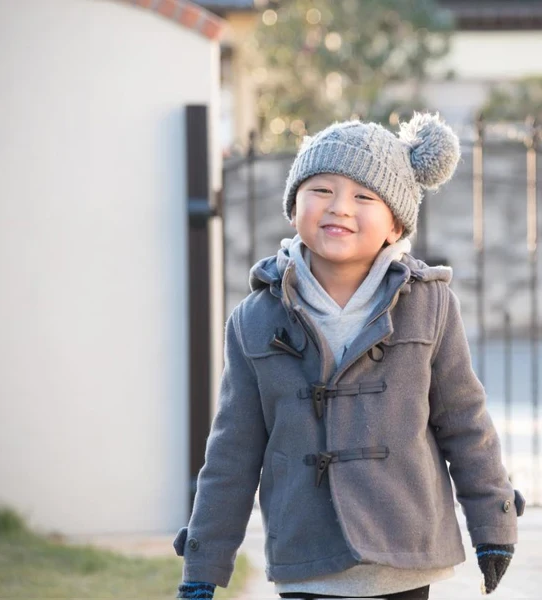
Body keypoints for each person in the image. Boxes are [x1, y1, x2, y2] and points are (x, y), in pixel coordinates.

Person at [173, 113, 523, 600]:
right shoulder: (254, 318)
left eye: (364, 197)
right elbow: (232, 450)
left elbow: (465, 422)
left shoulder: (430, 305)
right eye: (321, 190)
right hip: (306, 558)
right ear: (294, 206)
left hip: (404, 554)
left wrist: (494, 524)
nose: (340, 208)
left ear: (395, 223)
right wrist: (203, 563)